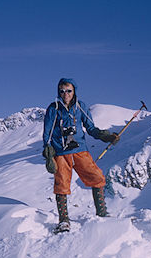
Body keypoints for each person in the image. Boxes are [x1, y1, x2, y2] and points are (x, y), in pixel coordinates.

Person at [42, 78, 119, 233]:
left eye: (68, 91)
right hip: (61, 153)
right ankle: (64, 221)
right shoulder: (53, 108)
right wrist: (48, 153)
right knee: (61, 185)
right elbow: (47, 133)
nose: (65, 94)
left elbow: (90, 127)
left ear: (74, 91)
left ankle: (101, 213)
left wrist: (105, 136)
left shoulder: (80, 106)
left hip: (80, 151)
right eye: (62, 91)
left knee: (97, 177)